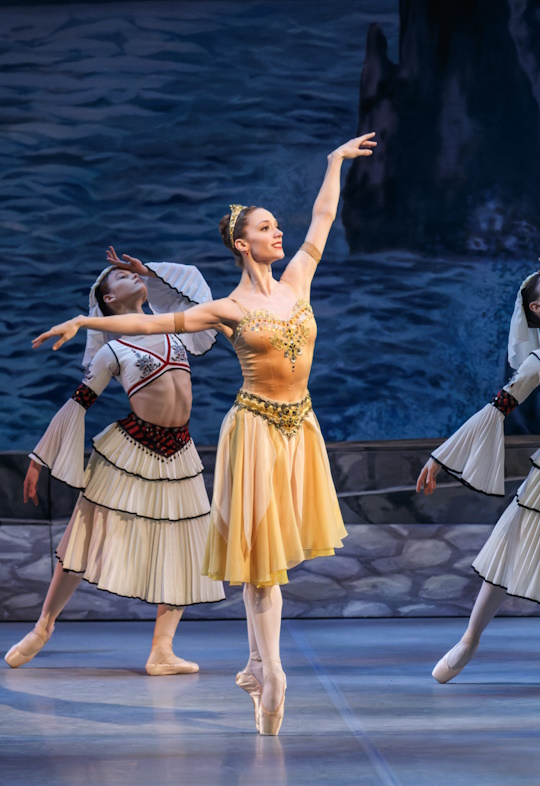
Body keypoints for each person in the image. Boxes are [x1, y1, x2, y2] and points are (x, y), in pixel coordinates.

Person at [32, 133, 377, 733]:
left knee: (274, 556)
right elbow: (156, 321)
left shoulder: (298, 279)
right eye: (266, 228)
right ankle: (273, 672)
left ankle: (255, 665)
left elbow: (324, 218)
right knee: (261, 561)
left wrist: (333, 164)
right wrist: (85, 319)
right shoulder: (227, 309)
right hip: (256, 431)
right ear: (243, 245)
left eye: (278, 226)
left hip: (302, 428)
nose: (279, 233)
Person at [6, 252, 225, 675]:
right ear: (108, 298)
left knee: (182, 546)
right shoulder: (113, 351)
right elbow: (77, 404)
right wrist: (40, 458)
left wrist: (149, 271)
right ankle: (43, 626)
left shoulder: (176, 331)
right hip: (131, 450)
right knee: (84, 537)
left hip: (179, 451)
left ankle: (162, 650)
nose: (132, 276)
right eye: (123, 276)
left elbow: (199, 294)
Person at [417, 270, 540, 683]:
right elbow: (496, 409)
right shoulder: (538, 361)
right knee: (512, 542)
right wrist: (442, 457)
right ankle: (470, 639)